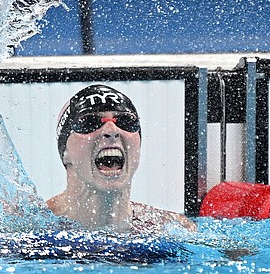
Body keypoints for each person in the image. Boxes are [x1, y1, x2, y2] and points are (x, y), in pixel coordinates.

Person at [47, 84, 197, 233]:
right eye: (89, 122)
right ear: (65, 152)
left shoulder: (173, 228)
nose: (111, 130)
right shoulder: (36, 225)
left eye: (126, 121)